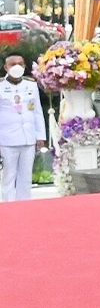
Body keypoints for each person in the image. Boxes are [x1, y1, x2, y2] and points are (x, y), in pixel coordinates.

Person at [0, 54, 45, 202]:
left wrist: (40, 136)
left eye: (20, 63)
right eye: (13, 64)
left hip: (28, 138)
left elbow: (37, 111)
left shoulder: (31, 85)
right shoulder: (1, 87)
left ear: (25, 66)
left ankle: (24, 205)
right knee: (8, 176)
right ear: (6, 67)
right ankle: (8, 205)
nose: (17, 66)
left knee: (26, 176)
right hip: (7, 139)